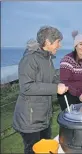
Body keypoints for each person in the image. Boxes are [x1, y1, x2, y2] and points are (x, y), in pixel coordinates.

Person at [12, 26, 68, 154]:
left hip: (44, 116)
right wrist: (55, 88)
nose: (59, 45)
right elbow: (26, 86)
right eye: (58, 42)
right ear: (48, 42)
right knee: (33, 150)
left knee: (46, 149)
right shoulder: (29, 59)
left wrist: (60, 84)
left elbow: (50, 80)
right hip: (30, 119)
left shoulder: (48, 58)